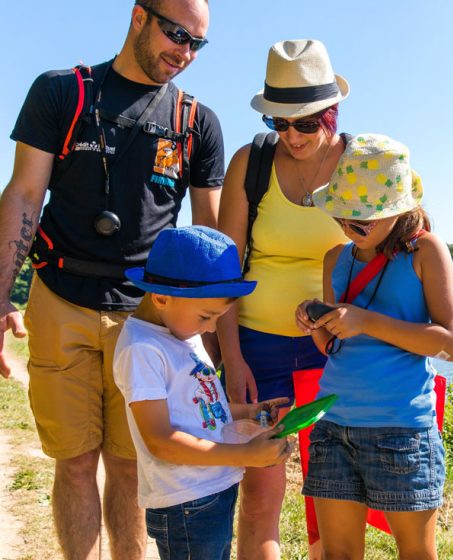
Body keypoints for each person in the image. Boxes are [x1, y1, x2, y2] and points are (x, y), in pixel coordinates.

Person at [0, 1, 223, 558]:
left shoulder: (197, 122)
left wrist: (218, 343)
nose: (185, 52)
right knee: (74, 461)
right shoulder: (62, 93)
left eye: (198, 43)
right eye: (177, 34)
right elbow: (24, 195)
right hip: (60, 297)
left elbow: (213, 237)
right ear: (138, 16)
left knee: (130, 464)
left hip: (149, 319)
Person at [295, 134, 453, 559]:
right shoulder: (336, 258)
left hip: (402, 431)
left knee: (415, 553)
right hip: (333, 427)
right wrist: (314, 321)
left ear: (398, 209)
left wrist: (367, 321)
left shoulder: (425, 250)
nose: (349, 227)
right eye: (342, 216)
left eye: (363, 218)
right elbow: (334, 346)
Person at [216, 39, 348, 559]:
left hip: (333, 354)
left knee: (333, 501)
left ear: (330, 114)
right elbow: (226, 271)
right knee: (260, 501)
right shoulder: (251, 162)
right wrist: (232, 358)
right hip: (258, 350)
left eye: (305, 123)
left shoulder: (359, 165)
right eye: (280, 122)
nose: (291, 136)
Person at [113, 225, 293, 560]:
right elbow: (161, 440)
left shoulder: (182, 330)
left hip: (212, 489)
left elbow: (201, 407)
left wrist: (248, 413)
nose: (211, 328)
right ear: (162, 297)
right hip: (186, 503)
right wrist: (245, 455)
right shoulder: (143, 350)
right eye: (206, 317)